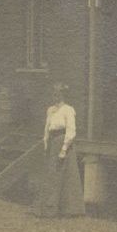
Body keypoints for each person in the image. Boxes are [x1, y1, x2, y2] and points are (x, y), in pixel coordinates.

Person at [35, 83, 84, 218]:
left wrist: (63, 149)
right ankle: (48, 208)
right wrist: (46, 142)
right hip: (52, 142)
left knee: (64, 174)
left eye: (58, 94)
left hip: (63, 143)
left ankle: (68, 209)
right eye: (53, 94)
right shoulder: (50, 110)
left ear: (63, 95)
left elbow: (71, 130)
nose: (55, 97)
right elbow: (47, 128)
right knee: (51, 174)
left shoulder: (68, 110)